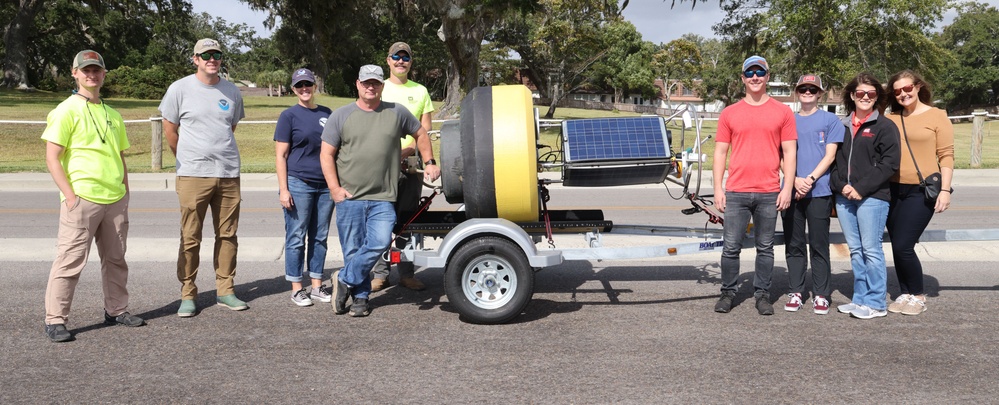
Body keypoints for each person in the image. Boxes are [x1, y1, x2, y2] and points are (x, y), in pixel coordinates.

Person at [320, 65, 441, 317]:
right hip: (350, 197)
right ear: (357, 84)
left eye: (375, 82)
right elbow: (326, 154)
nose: (370, 87)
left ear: (382, 86)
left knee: (380, 242)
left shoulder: (396, 112)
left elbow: (420, 133)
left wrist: (429, 162)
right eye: (366, 83)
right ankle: (361, 298)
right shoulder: (341, 116)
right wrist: (334, 188)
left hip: (384, 197)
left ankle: (343, 278)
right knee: (353, 249)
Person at [42, 50, 145, 342]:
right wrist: (70, 196)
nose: (91, 75)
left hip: (115, 199)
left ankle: (116, 310)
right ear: (74, 73)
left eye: (96, 70)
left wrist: (125, 193)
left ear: (103, 74)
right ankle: (56, 319)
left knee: (116, 259)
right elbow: (52, 157)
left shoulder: (113, 114)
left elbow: (119, 156)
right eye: (85, 70)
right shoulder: (65, 110)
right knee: (70, 260)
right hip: (82, 198)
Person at [159, 38, 247, 317]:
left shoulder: (231, 91)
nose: (212, 58)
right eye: (206, 54)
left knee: (228, 235)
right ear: (195, 59)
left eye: (217, 54)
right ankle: (188, 294)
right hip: (193, 174)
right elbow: (170, 131)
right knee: (190, 237)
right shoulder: (179, 89)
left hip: (228, 173)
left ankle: (225, 290)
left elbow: (229, 128)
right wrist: (187, 157)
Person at [712, 55, 798, 316]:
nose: (755, 77)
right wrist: (718, 188)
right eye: (750, 73)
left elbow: (789, 153)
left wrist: (787, 188)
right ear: (743, 79)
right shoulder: (730, 113)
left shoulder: (783, 112)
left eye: (760, 72)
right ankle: (728, 293)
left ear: (768, 76)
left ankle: (762, 295)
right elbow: (719, 153)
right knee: (730, 247)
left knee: (765, 248)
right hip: (736, 191)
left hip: (769, 191)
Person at [829, 72, 900, 320]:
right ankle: (860, 298)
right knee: (856, 250)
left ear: (877, 97)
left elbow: (889, 165)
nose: (866, 97)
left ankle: (877, 302)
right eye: (861, 93)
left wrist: (860, 187)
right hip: (844, 196)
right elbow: (834, 163)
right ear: (852, 95)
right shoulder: (841, 126)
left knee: (871, 249)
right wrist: (841, 186)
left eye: (871, 93)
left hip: (873, 197)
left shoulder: (885, 126)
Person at [884, 70, 955, 316]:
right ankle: (905, 292)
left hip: (921, 190)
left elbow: (946, 156)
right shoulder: (891, 118)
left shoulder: (937, 116)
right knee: (897, 244)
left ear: (917, 87)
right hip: (892, 189)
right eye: (897, 91)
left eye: (907, 88)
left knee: (904, 245)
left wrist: (944, 190)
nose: (903, 94)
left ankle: (918, 295)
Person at [370, 41, 436, 292]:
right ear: (388, 60)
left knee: (407, 220)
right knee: (380, 219)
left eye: (405, 57)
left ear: (410, 62)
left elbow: (426, 129)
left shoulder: (420, 91)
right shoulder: (377, 88)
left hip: (411, 163)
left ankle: (406, 272)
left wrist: (409, 150)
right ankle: (380, 273)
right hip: (380, 164)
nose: (400, 61)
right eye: (396, 56)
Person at [782, 74, 845, 315]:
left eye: (812, 89)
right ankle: (796, 291)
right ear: (797, 92)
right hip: (791, 190)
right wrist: (793, 180)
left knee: (819, 245)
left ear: (820, 93)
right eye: (803, 89)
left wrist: (808, 179)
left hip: (818, 191)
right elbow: (781, 155)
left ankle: (821, 294)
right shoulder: (787, 119)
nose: (807, 92)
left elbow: (830, 156)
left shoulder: (830, 120)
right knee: (794, 244)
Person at [275, 68, 335, 307]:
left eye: (308, 84)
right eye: (299, 86)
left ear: (314, 86)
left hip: (325, 185)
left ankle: (317, 284)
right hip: (298, 183)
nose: (304, 89)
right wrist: (283, 189)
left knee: (319, 237)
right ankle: (297, 287)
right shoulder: (288, 116)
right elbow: (281, 155)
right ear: (293, 89)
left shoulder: (327, 114)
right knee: (296, 237)